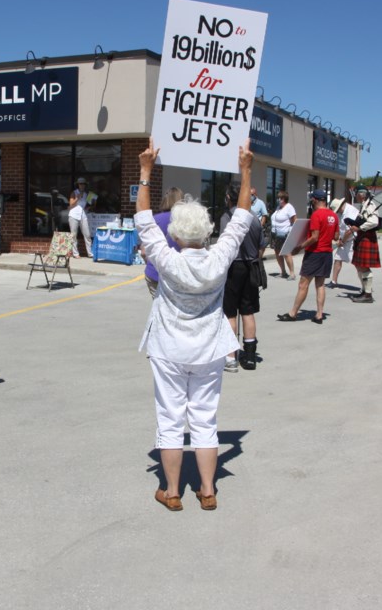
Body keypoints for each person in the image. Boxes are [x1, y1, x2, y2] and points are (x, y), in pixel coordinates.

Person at [136, 138, 255, 512]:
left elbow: (142, 219)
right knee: (205, 420)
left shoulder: (167, 258)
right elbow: (241, 219)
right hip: (209, 349)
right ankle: (207, 490)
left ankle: (172, 492)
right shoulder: (219, 257)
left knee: (170, 419)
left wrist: (144, 171)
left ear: (175, 234)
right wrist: (246, 168)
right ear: (205, 232)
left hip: (169, 349)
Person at [221, 180, 263, 371]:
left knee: (230, 312)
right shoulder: (254, 217)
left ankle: (231, 357)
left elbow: (224, 246)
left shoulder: (227, 217)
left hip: (233, 267)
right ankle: (250, 354)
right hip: (251, 265)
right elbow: (262, 245)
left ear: (229, 197)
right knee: (247, 311)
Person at [278, 191, 338, 324]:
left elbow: (314, 237)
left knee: (303, 284)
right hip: (327, 253)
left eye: (312, 200)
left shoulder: (316, 215)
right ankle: (319, 315)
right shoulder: (333, 215)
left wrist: (299, 247)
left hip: (315, 253)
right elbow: (336, 237)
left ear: (315, 200)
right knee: (320, 284)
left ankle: (293, 313)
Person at [142, 187, 184, 298]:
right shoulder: (185, 221)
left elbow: (143, 251)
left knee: (158, 308)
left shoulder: (155, 220)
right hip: (177, 274)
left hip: (154, 273)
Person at [345, 185, 381, 303]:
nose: (355, 195)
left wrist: (359, 228)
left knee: (364, 266)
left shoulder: (370, 205)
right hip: (363, 237)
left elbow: (374, 222)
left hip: (367, 237)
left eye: (356, 193)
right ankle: (365, 290)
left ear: (361, 194)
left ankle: (368, 294)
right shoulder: (364, 205)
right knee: (359, 265)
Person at [269, 191, 297, 278]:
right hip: (275, 234)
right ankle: (283, 272)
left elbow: (294, 220)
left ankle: (292, 273)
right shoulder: (278, 207)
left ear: (284, 199)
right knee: (277, 252)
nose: (278, 200)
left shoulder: (289, 207)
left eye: (280, 198)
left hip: (284, 234)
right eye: (278, 198)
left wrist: (291, 231)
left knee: (286, 253)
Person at [328, 198, 355, 288]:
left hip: (352, 240)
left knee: (358, 263)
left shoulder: (350, 211)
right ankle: (334, 281)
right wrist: (340, 239)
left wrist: (342, 241)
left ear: (339, 206)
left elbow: (350, 230)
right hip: (344, 240)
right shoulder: (340, 213)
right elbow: (340, 227)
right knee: (338, 259)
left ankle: (365, 286)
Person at [68, 177, 93, 257]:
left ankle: (90, 253)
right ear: (78, 185)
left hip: (83, 215)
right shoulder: (74, 193)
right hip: (74, 215)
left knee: (87, 234)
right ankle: (75, 253)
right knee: (74, 235)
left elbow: (85, 206)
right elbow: (71, 204)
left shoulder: (86, 194)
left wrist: (90, 206)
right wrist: (77, 198)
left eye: (83, 184)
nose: (82, 185)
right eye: (80, 184)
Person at [250, 187, 269, 258]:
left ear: (255, 194)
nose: (250, 196)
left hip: (257, 228)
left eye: (252, 194)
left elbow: (264, 215)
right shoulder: (247, 202)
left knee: (259, 246)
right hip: (248, 228)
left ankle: (259, 259)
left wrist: (260, 226)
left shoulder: (260, 203)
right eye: (249, 194)